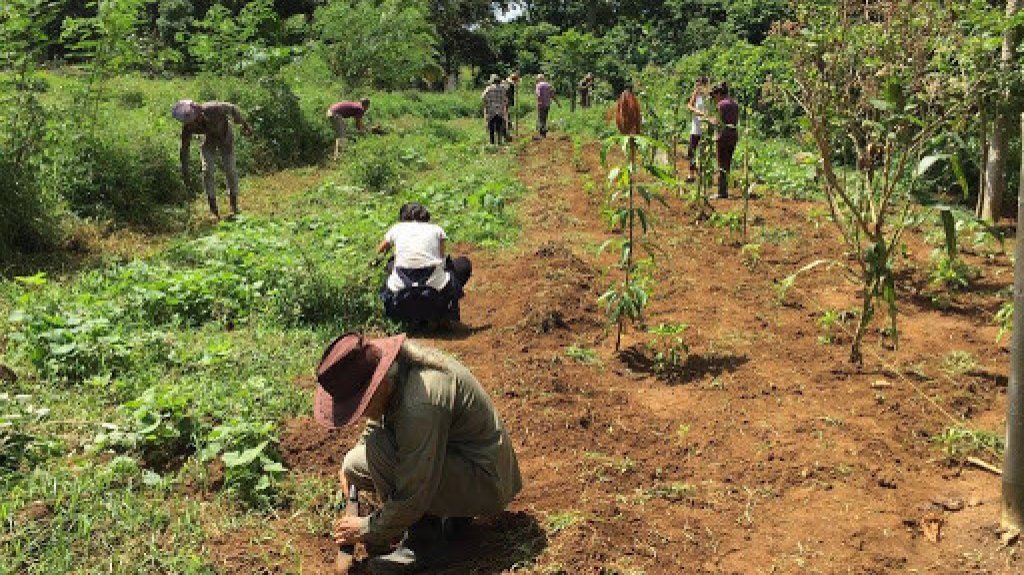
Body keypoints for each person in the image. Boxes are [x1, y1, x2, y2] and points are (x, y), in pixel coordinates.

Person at [319, 333, 523, 574]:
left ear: (379, 384)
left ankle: (424, 541)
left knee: (378, 449)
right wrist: (348, 466)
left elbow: (413, 493)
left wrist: (366, 528)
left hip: (486, 481)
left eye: (360, 405)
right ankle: (449, 515)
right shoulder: (396, 374)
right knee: (354, 463)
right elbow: (377, 421)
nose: (360, 414)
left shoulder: (419, 406)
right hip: (460, 463)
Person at [377, 203, 472, 324]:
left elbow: (379, 252)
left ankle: (399, 319)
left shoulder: (397, 228)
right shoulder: (437, 230)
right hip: (434, 286)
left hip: (400, 288)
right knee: (462, 264)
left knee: (390, 264)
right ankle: (448, 312)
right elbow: (441, 258)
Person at [173, 99, 253, 221]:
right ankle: (213, 210)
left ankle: (234, 205)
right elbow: (184, 150)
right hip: (208, 140)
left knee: (230, 169)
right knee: (207, 170)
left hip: (225, 136)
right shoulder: (188, 128)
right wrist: (185, 171)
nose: (192, 124)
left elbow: (232, 108)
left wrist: (244, 124)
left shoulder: (214, 108)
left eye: (194, 120)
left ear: (199, 113)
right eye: (189, 123)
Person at [709, 82, 739, 199]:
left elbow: (718, 121)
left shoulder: (721, 105)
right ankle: (724, 190)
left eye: (714, 96)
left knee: (721, 165)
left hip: (722, 136)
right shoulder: (734, 104)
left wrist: (708, 119)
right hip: (733, 136)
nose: (714, 99)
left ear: (719, 94)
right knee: (727, 164)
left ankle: (722, 192)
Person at [685, 76, 710, 183]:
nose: (697, 87)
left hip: (706, 127)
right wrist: (699, 112)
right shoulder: (696, 94)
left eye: (699, 84)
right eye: (697, 85)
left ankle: (703, 174)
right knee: (691, 150)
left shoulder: (709, 96)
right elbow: (689, 106)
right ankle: (691, 175)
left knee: (704, 152)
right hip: (696, 125)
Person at [481, 74, 508, 146]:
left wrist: (487, 104)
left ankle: (492, 142)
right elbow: (505, 99)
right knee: (499, 126)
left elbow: (483, 97)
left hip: (491, 110)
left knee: (491, 127)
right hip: (500, 110)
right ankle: (499, 141)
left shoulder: (488, 89)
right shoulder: (503, 89)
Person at [534, 74, 559, 138]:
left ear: (539, 79)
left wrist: (538, 103)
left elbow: (538, 95)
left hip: (541, 104)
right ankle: (543, 133)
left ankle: (542, 134)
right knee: (544, 118)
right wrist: (558, 103)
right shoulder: (549, 85)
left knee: (541, 119)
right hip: (547, 104)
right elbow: (553, 95)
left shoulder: (538, 85)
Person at [503, 72, 519, 139]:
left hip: (507, 100)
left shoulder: (509, 84)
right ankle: (507, 127)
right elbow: (507, 94)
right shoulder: (508, 85)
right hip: (506, 100)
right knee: (505, 113)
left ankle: (509, 125)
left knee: (507, 113)